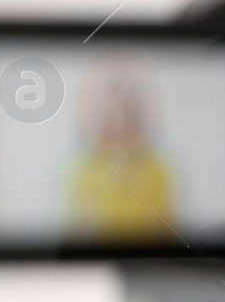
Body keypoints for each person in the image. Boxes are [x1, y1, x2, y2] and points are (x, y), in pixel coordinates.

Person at [61, 54, 176, 242]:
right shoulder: (78, 170)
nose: (122, 101)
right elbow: (71, 235)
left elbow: (168, 235)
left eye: (130, 92)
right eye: (113, 90)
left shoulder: (159, 170)